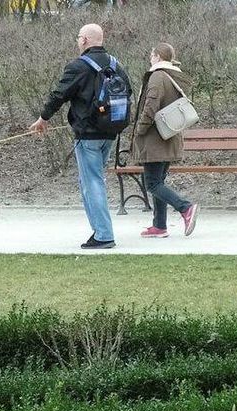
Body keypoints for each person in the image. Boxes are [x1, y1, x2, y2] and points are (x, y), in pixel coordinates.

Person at [30, 23, 133, 249]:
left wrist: (43, 118)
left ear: (85, 40)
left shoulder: (78, 66)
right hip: (110, 133)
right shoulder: (116, 64)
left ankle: (104, 235)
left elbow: (59, 94)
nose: (78, 41)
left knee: (92, 182)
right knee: (92, 180)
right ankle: (99, 231)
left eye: (79, 38)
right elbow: (129, 92)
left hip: (87, 136)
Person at [131, 43, 199, 238]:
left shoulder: (158, 76)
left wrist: (140, 129)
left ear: (158, 56)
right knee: (158, 182)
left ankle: (185, 208)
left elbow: (150, 106)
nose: (150, 58)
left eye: (151, 54)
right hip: (168, 137)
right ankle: (159, 226)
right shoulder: (172, 75)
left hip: (154, 140)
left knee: (152, 183)